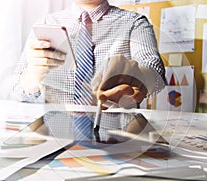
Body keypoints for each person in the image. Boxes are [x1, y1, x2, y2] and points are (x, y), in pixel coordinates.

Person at [11, 0, 166, 142]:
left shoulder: (134, 23)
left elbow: (155, 72)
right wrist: (34, 75)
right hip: (53, 137)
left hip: (116, 138)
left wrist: (138, 76)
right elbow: (17, 92)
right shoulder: (47, 23)